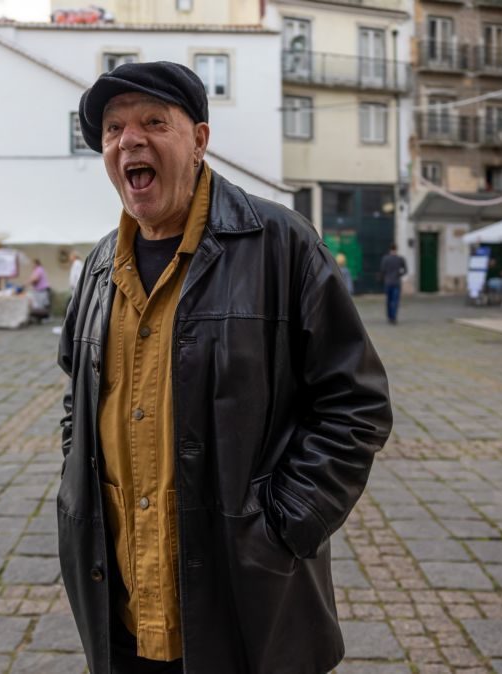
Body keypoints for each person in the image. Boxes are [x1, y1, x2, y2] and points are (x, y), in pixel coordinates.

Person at [58, 61, 392, 674]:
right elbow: (77, 401)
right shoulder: (100, 266)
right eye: (112, 129)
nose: (129, 140)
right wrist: (75, 496)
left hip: (249, 596)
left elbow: (356, 403)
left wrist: (285, 525)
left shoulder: (283, 244)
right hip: (121, 596)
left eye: (153, 122)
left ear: (201, 139)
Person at [380, 243, 407, 324]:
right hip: (396, 282)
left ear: (390, 249)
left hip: (388, 282)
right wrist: (399, 274)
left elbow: (383, 270)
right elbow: (405, 270)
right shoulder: (400, 259)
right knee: (395, 301)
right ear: (396, 249)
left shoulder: (385, 259)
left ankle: (389, 316)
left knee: (388, 300)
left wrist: (384, 277)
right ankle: (394, 317)